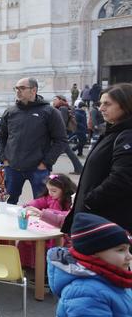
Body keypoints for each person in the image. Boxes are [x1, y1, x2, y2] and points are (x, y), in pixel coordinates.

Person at [62, 83, 132, 234]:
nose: (101, 109)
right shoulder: (113, 132)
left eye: (107, 104)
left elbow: (121, 179)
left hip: (104, 221)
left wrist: (89, 201)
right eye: (100, 104)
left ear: (126, 105)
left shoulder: (126, 135)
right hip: (96, 217)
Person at [0, 77, 67, 205]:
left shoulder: (50, 112)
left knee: (41, 205)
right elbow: (1, 137)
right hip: (12, 168)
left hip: (38, 169)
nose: (18, 91)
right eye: (16, 88)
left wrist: (46, 163)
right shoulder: (10, 112)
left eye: (22, 88)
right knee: (7, 204)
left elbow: (61, 140)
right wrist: (4, 159)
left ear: (34, 90)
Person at [17, 173, 76, 268]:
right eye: (48, 190)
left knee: (48, 243)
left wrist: (45, 212)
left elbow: (67, 215)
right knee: (28, 238)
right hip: (47, 227)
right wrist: (29, 206)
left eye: (53, 190)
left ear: (64, 189)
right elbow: (39, 201)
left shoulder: (70, 201)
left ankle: (45, 267)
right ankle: (27, 263)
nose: (50, 193)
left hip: (61, 232)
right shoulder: (50, 198)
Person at [52, 95, 83, 174]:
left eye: (55, 99)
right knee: (67, 152)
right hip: (60, 134)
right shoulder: (61, 108)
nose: (53, 101)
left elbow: (62, 122)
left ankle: (45, 167)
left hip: (60, 135)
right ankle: (79, 168)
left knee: (56, 151)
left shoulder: (63, 108)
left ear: (60, 100)